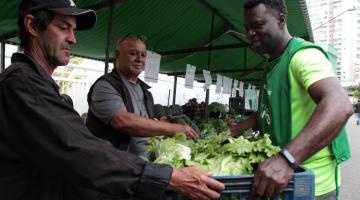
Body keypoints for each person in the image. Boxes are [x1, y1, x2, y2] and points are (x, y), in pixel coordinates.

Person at [0, 0, 224, 200]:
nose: (73, 39)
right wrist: (167, 177)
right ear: (32, 26)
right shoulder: (22, 84)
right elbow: (78, 148)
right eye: (63, 27)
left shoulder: (36, 83)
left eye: (74, 30)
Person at [230, 0, 353, 199]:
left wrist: (287, 158)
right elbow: (270, 110)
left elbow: (339, 104)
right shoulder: (272, 64)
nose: (250, 34)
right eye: (247, 28)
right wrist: (238, 128)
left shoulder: (303, 56)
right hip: (281, 181)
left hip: (310, 185)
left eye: (258, 25)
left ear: (281, 20)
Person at [86, 34, 198, 157]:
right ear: (118, 55)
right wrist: (173, 128)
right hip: (113, 166)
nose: (139, 59)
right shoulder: (106, 86)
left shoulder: (146, 92)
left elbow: (146, 125)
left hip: (141, 165)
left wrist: (160, 124)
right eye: (133, 53)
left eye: (143, 55)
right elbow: (123, 121)